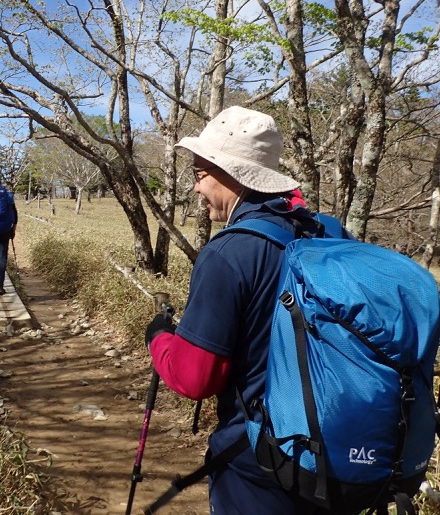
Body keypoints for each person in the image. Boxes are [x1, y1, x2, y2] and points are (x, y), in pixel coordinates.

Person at [144, 106, 352, 515]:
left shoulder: (228, 253)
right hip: (340, 459)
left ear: (230, 172)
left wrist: (158, 338)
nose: (195, 187)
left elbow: (196, 377)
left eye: (199, 174)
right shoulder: (326, 232)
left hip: (263, 465)